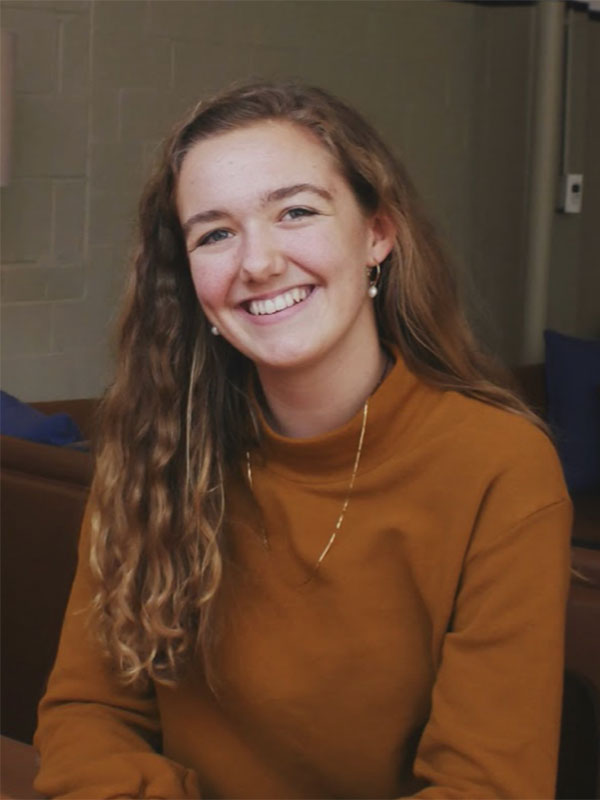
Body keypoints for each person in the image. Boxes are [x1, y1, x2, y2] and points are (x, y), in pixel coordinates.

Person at [34, 81, 571, 799]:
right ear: (189, 275)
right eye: (215, 233)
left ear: (377, 233)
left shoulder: (499, 466)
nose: (258, 263)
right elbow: (87, 715)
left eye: (295, 212)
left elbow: (487, 787)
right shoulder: (150, 451)